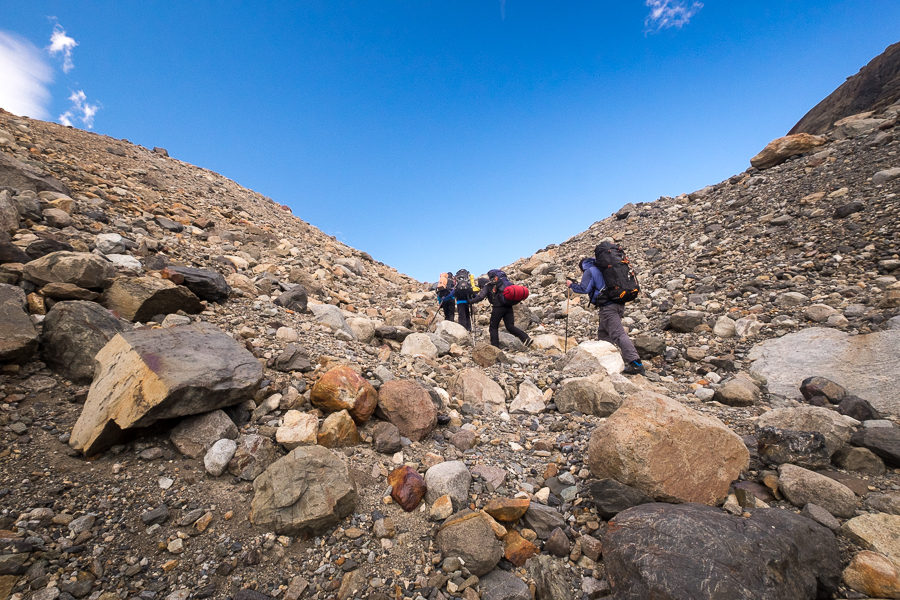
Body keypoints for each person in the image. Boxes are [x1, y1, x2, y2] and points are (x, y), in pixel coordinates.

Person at [567, 257, 645, 375]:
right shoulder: (602, 269)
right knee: (604, 333)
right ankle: (607, 362)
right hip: (617, 304)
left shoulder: (590, 270)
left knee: (618, 334)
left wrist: (571, 285)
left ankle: (636, 363)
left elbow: (584, 289)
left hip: (608, 307)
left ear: (582, 267)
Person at [469, 269, 533, 349]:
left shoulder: (488, 285)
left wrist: (470, 301)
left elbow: (481, 297)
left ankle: (495, 347)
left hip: (498, 307)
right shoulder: (504, 283)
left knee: (493, 327)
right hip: (508, 306)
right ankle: (526, 338)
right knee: (510, 326)